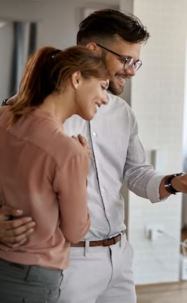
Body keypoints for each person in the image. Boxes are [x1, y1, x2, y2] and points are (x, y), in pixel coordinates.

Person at [0, 9, 187, 303]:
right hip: (67, 261)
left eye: (136, 62)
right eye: (126, 60)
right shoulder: (27, 114)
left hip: (119, 255)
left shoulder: (122, 113)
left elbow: (136, 173)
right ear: (92, 50)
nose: (131, 70)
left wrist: (175, 182)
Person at [0, 45, 110, 302]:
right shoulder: (68, 152)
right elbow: (75, 231)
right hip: (33, 279)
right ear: (76, 78)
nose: (105, 98)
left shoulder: (4, 118)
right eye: (103, 86)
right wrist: (82, 170)